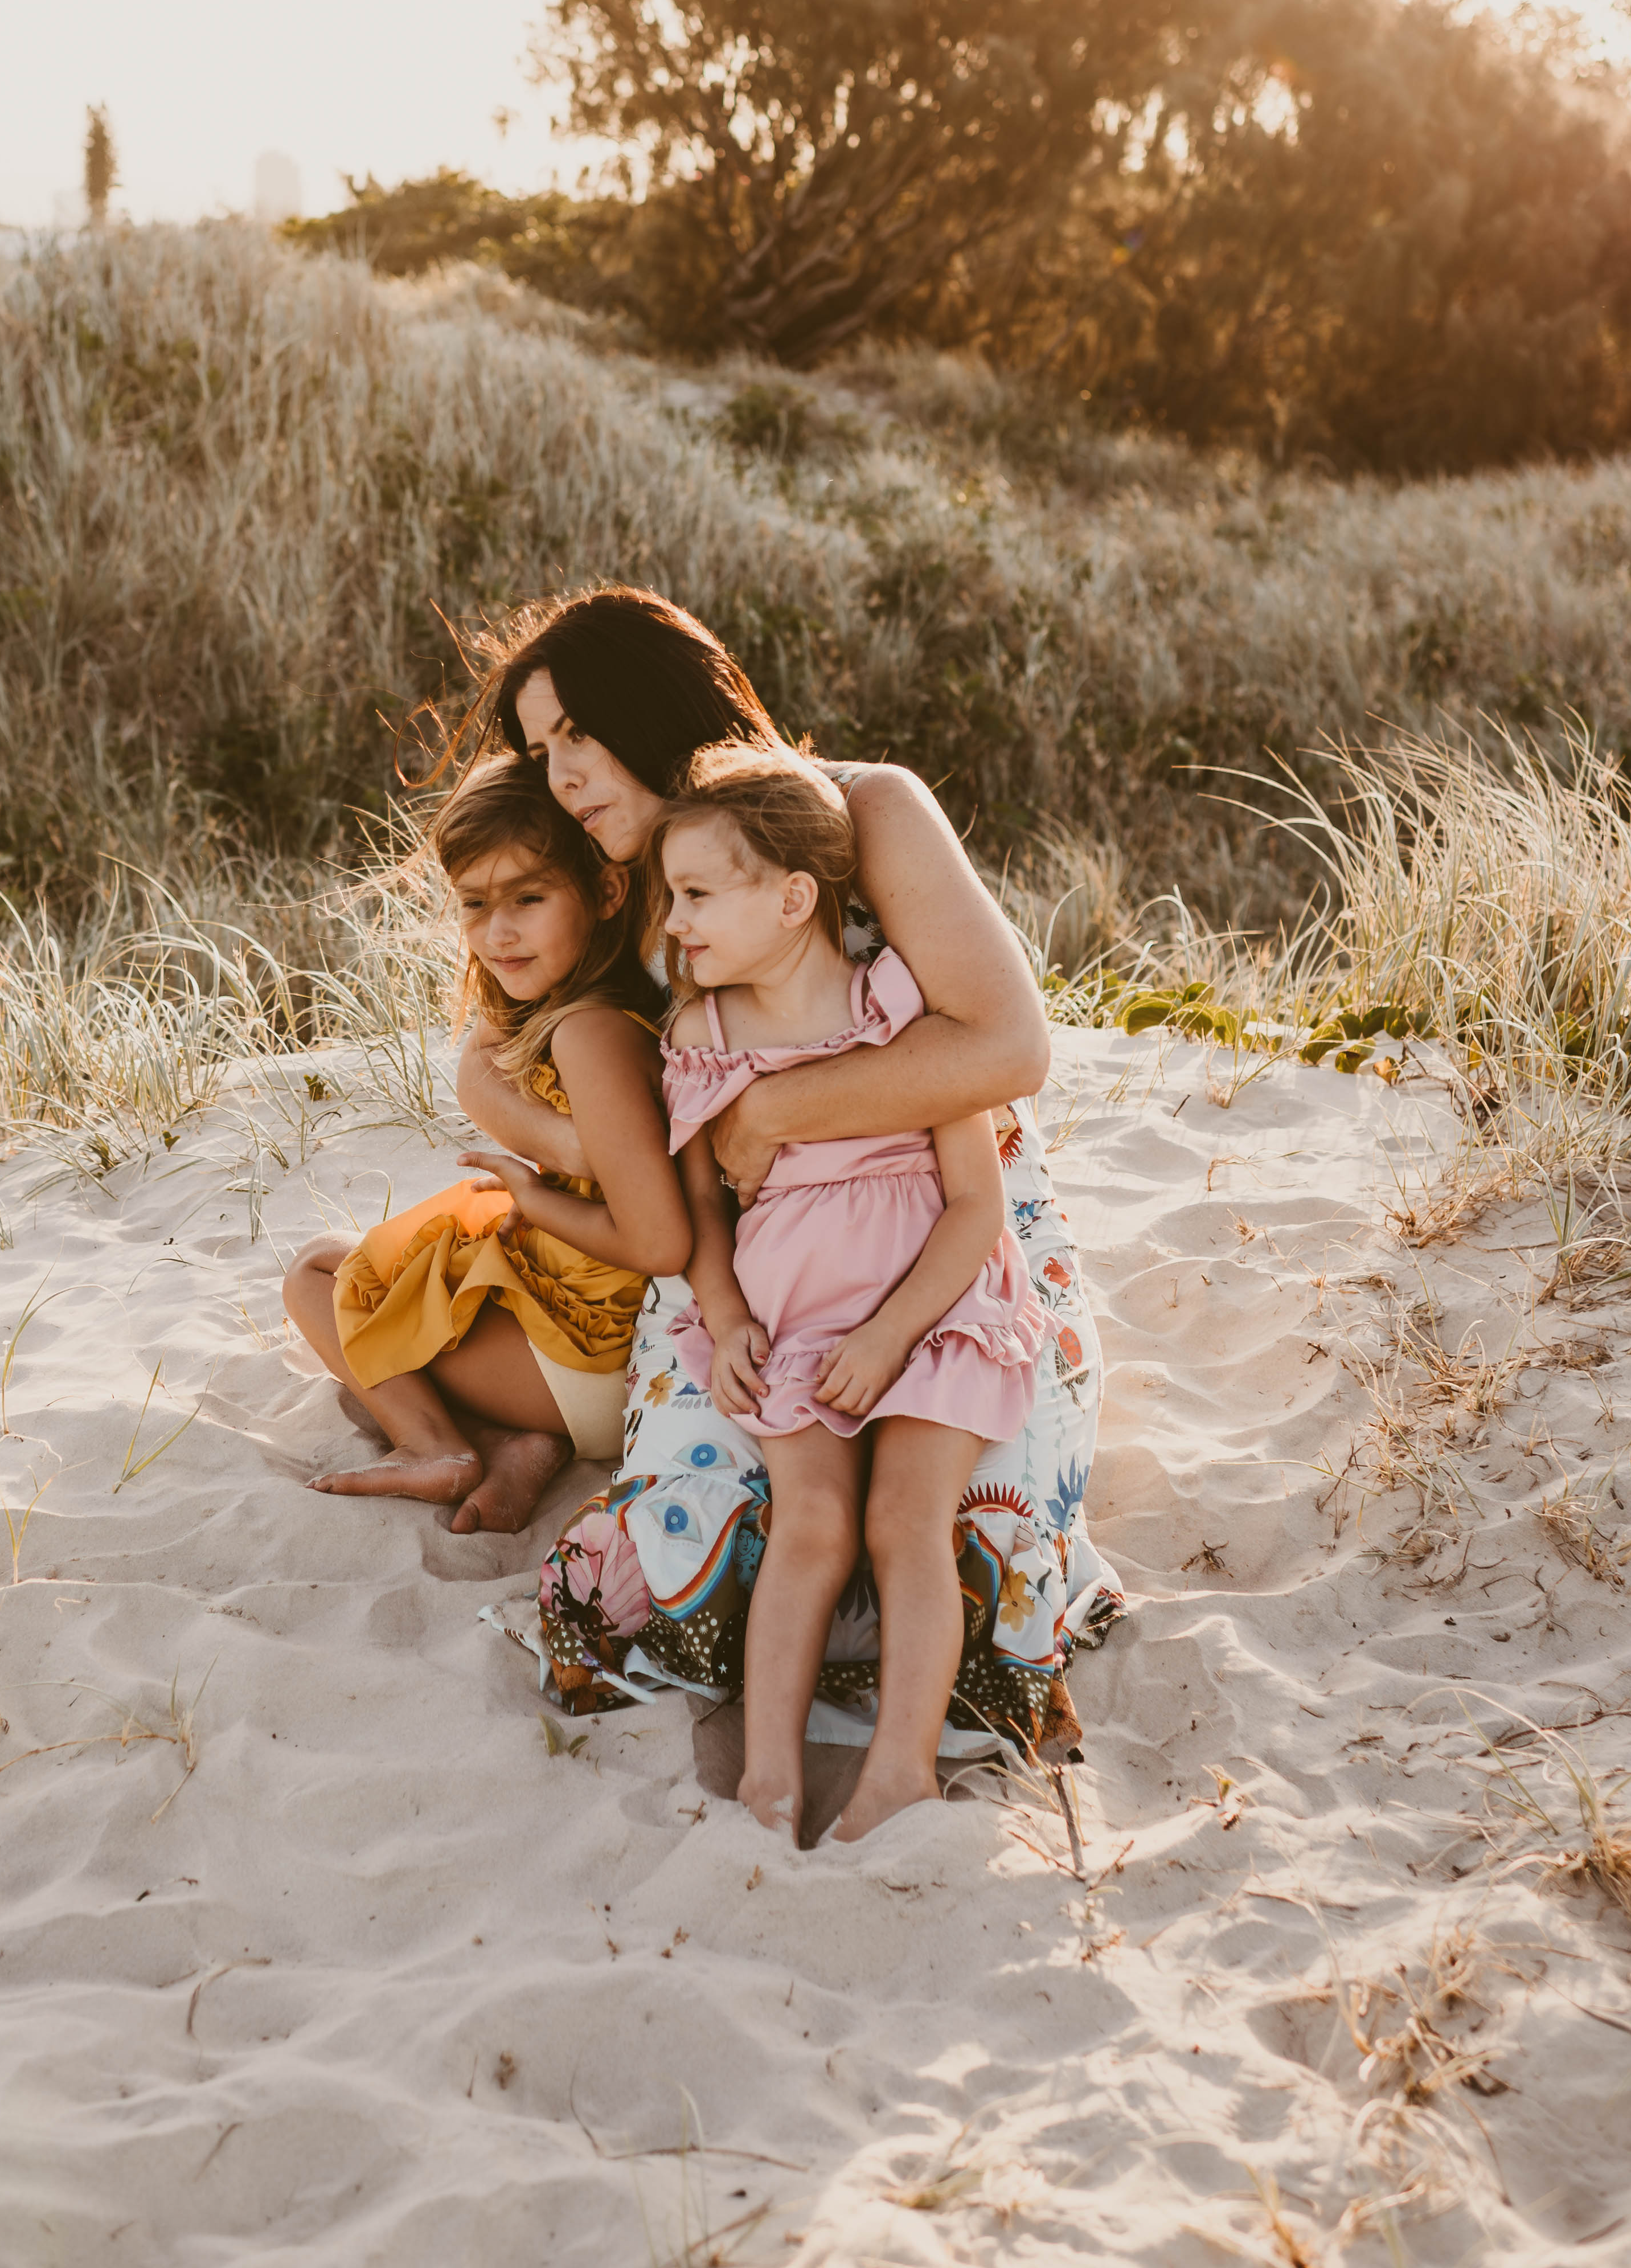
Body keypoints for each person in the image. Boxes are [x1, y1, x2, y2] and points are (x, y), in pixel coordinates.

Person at [447, 586, 1117, 1767]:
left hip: (954, 1228)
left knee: (967, 1531)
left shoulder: (863, 812)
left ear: (654, 705)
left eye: (578, 734)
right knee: (702, 1528)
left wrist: (772, 1109)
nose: (562, 775)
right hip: (752, 1264)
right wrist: (569, 1145)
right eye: (541, 749)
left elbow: (1010, 1048)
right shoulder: (620, 876)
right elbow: (489, 1040)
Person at [657, 752, 1048, 1840]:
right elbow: (702, 1210)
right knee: (815, 1522)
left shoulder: (905, 1010)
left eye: (696, 894)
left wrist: (888, 1337)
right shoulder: (703, 1038)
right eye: (672, 896)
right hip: (795, 1324)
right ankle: (769, 1775)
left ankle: (901, 1770)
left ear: (793, 899)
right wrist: (729, 1319)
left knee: (903, 1519)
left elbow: (974, 1205)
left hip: (932, 1313)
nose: (673, 924)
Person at [285, 754, 690, 1537]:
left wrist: (535, 1195)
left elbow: (655, 1238)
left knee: (318, 1274)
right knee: (417, 1265)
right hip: (583, 1339)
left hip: (589, 1363)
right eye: (475, 904)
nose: (498, 933)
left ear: (609, 892)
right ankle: (516, 1440)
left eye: (529, 899)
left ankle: (434, 1445)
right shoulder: (591, 1006)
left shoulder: (589, 1035)